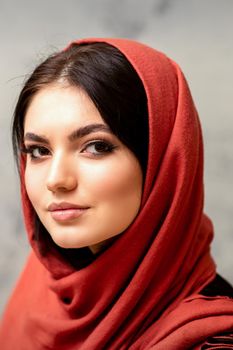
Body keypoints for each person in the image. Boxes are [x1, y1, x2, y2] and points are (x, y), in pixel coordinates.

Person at [0, 38, 232, 349]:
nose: (56, 180)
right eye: (39, 151)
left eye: (96, 147)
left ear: (163, 160)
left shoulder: (211, 341)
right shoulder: (43, 286)